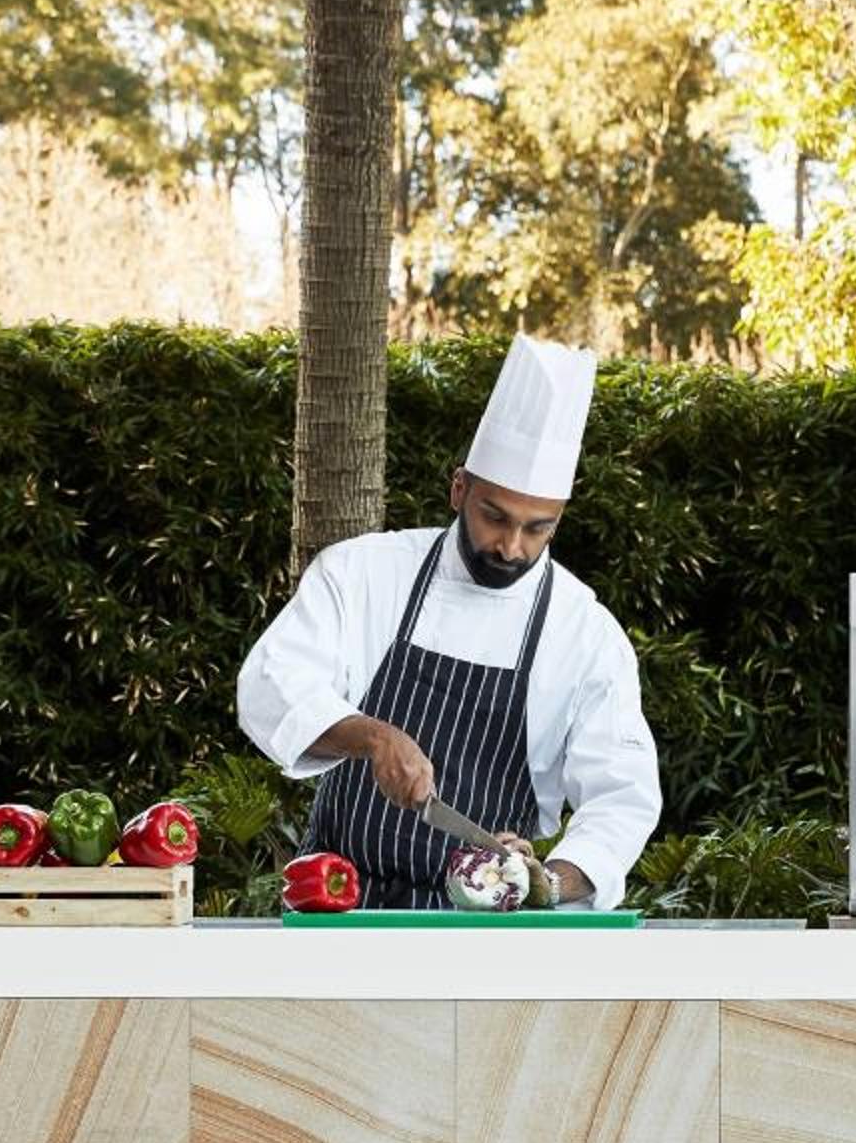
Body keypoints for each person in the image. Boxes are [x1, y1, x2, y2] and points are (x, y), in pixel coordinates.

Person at [237, 336, 662, 908]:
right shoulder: (363, 572)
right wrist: (373, 735)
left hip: (488, 929)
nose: (511, 546)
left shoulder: (584, 633)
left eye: (537, 528)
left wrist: (550, 882)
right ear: (460, 489)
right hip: (336, 904)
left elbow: (622, 798)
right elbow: (271, 683)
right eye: (495, 517)